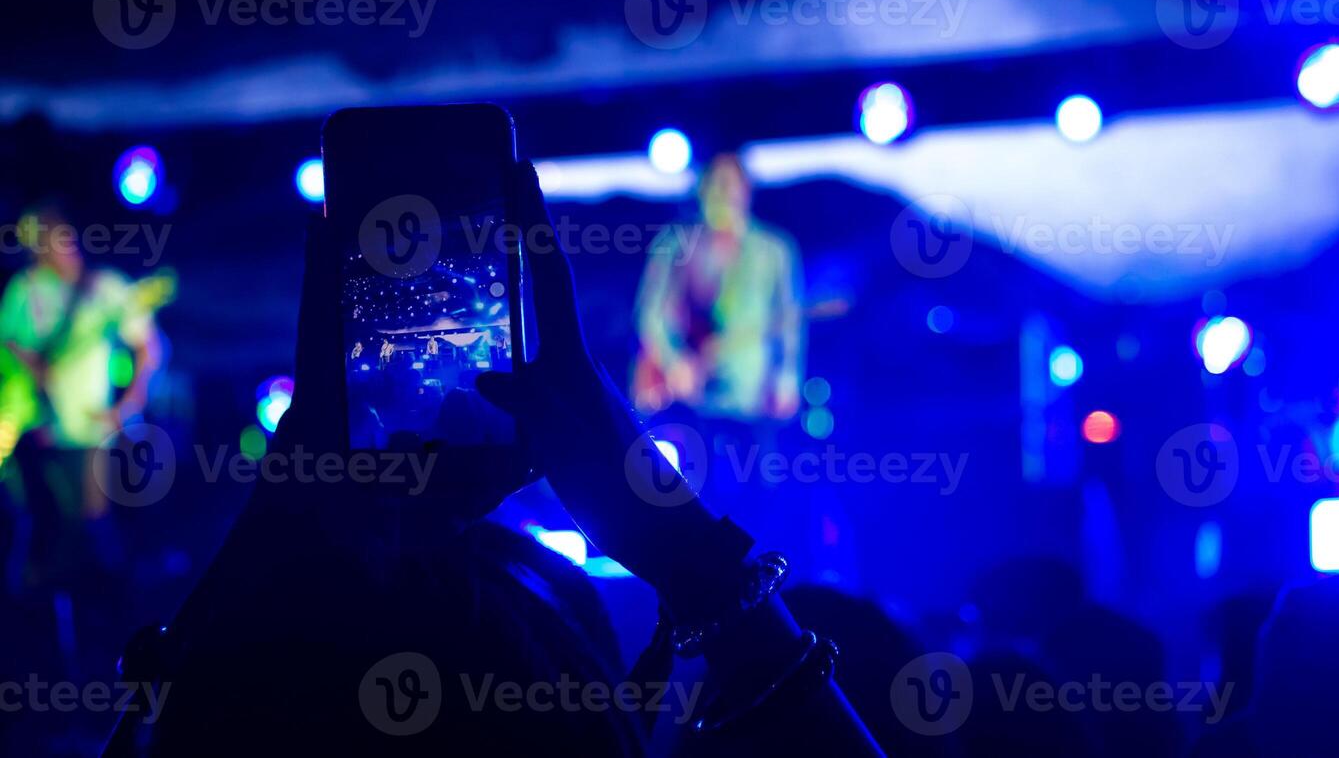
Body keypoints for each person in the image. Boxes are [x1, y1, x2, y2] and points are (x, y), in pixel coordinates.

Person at [114, 161, 878, 755]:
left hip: (744, 405)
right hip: (693, 404)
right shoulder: (678, 249)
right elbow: (654, 314)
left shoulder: (772, 254)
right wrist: (690, 560)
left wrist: (263, 524)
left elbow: (783, 322)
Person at [0, 204, 162, 591]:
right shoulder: (25, 290)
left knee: (92, 518)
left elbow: (148, 348)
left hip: (94, 428)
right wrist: (33, 369)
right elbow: (8, 343)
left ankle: (108, 596)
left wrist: (128, 404)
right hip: (41, 430)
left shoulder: (105, 287)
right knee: (48, 521)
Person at [634, 154, 804, 421]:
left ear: (746, 191)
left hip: (747, 392)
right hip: (681, 396)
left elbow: (789, 321)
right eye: (714, 184)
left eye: (729, 184)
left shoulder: (775, 250)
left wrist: (787, 379)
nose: (722, 193)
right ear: (701, 191)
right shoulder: (675, 242)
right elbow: (650, 312)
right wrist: (674, 361)